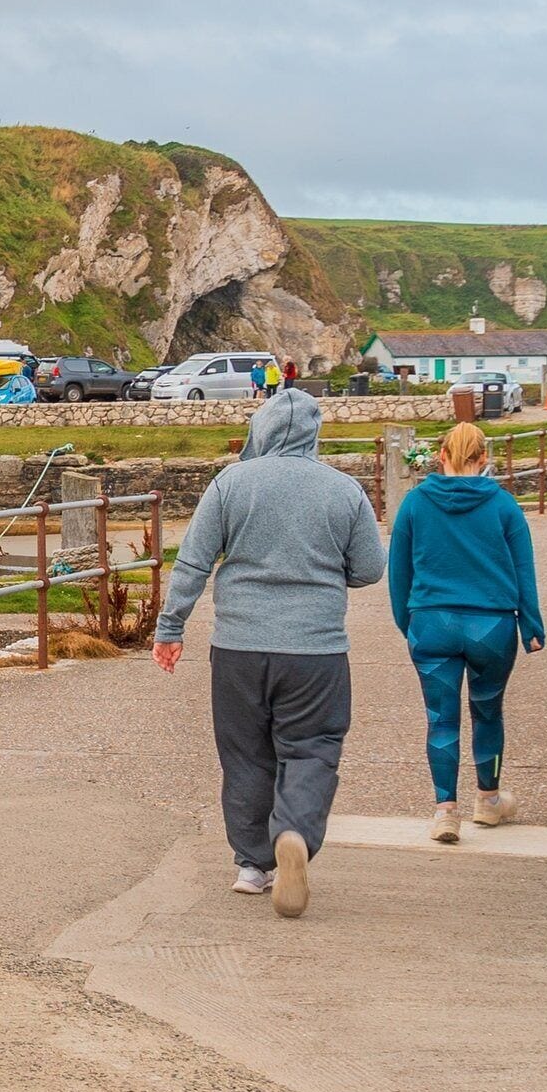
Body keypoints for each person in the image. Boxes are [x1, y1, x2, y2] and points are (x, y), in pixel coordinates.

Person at [153, 386, 384, 917]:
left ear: (258, 430)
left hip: (238, 648)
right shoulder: (344, 490)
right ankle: (296, 834)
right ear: (315, 433)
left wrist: (170, 628)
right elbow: (370, 568)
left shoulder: (230, 484)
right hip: (316, 651)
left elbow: (193, 562)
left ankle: (253, 866)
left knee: (245, 754)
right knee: (312, 746)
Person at [385, 421, 545, 840]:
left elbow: (398, 571)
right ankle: (488, 801)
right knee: (487, 710)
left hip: (430, 622)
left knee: (441, 719)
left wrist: (408, 621)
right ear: (483, 458)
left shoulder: (416, 504)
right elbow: (524, 570)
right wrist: (531, 623)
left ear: (441, 455)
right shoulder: (504, 506)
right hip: (491, 625)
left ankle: (445, 811)